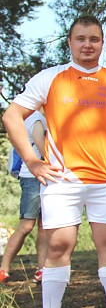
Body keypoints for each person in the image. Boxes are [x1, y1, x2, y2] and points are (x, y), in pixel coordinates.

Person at [2, 15, 106, 308]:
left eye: (94, 39)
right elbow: (11, 116)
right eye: (80, 39)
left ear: (102, 43)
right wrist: (32, 161)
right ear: (70, 43)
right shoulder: (50, 78)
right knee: (58, 247)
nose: (87, 45)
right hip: (62, 182)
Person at [0, 111, 48, 284]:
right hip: (32, 177)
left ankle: (42, 269)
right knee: (26, 225)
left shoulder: (44, 117)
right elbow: (42, 147)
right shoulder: (36, 118)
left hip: (45, 176)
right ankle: (4, 268)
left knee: (44, 225)